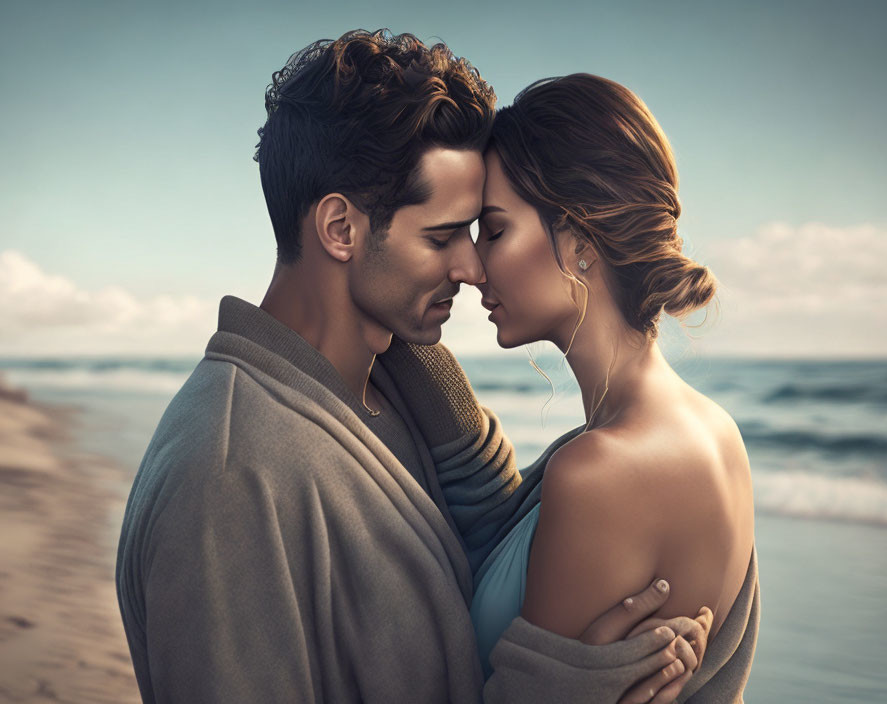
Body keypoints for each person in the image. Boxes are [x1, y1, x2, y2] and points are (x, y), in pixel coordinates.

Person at [115, 31, 711, 703]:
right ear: (340, 229)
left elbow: (476, 559)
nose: (471, 266)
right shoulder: (227, 478)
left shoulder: (390, 386)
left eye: (478, 231)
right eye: (441, 237)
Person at [463, 73, 759, 700]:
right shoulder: (717, 433)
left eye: (492, 230)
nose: (470, 267)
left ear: (577, 243)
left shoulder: (597, 472)